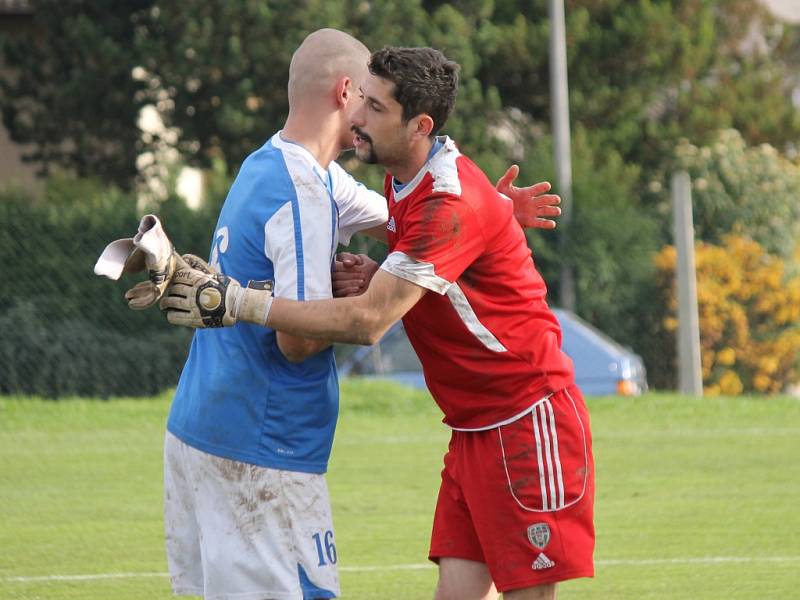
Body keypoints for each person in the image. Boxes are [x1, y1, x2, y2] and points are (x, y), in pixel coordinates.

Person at [161, 46, 594, 600]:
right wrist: (483, 217)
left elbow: (369, 321)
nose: (358, 117)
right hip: (472, 429)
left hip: (526, 420)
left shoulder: (447, 204)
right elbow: (422, 248)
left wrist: (238, 302)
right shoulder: (402, 181)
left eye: (376, 108)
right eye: (361, 99)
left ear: (420, 126)